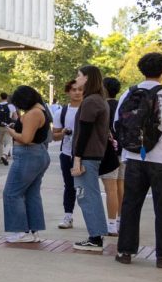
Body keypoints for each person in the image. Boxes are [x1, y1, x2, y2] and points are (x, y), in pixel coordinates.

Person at [114, 52, 162, 268]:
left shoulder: (127, 94)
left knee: (130, 204)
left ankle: (124, 251)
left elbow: (117, 125)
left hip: (133, 157)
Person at [1, 85, 52, 243]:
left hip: (28, 156)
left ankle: (20, 231)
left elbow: (25, 138)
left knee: (11, 193)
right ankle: (33, 230)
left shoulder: (33, 113)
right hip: (37, 156)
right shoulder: (41, 110)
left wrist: (11, 132)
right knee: (31, 194)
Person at [70, 65, 112, 252]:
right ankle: (96, 235)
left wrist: (77, 158)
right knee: (89, 195)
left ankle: (95, 238)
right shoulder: (98, 100)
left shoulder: (91, 101)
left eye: (79, 76)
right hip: (91, 154)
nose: (76, 79)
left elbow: (84, 132)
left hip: (87, 155)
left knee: (87, 195)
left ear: (87, 78)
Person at [50, 81, 82, 229]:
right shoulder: (61, 112)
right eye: (74, 90)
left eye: (80, 89)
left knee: (87, 188)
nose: (77, 92)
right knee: (69, 186)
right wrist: (63, 132)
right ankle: (68, 216)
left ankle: (93, 218)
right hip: (67, 154)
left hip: (86, 156)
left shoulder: (88, 109)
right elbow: (54, 136)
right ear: (68, 92)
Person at [101, 76, 124, 236]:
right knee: (121, 187)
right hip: (124, 151)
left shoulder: (103, 107)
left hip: (109, 152)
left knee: (110, 189)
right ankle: (121, 221)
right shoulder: (123, 106)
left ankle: (111, 224)